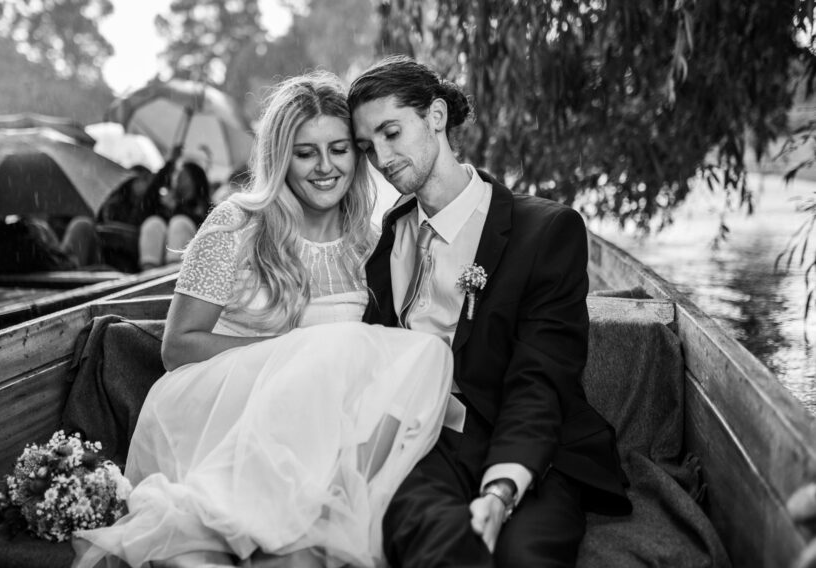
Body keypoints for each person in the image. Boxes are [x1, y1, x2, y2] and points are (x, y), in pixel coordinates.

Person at [72, 71, 454, 568]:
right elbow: (177, 345)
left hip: (322, 431)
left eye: (339, 149)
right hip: (228, 414)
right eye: (304, 152)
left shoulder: (368, 238)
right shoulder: (235, 224)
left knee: (420, 358)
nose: (324, 167)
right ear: (279, 156)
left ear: (358, 155)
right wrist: (292, 353)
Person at [349, 56, 632, 567]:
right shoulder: (390, 235)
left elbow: (540, 378)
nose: (382, 158)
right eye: (368, 147)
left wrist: (501, 489)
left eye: (392, 132)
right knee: (437, 547)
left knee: (526, 556)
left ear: (436, 116)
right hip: (423, 445)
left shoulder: (545, 232)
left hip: (528, 442)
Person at [138, 159, 212, 270]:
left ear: (196, 180)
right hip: (159, 261)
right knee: (153, 223)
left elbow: (202, 226)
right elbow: (146, 202)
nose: (179, 181)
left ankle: (173, 271)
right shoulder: (167, 202)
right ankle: (149, 271)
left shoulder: (206, 207)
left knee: (179, 222)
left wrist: (176, 208)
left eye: (185, 177)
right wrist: (169, 163)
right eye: (178, 177)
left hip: (191, 263)